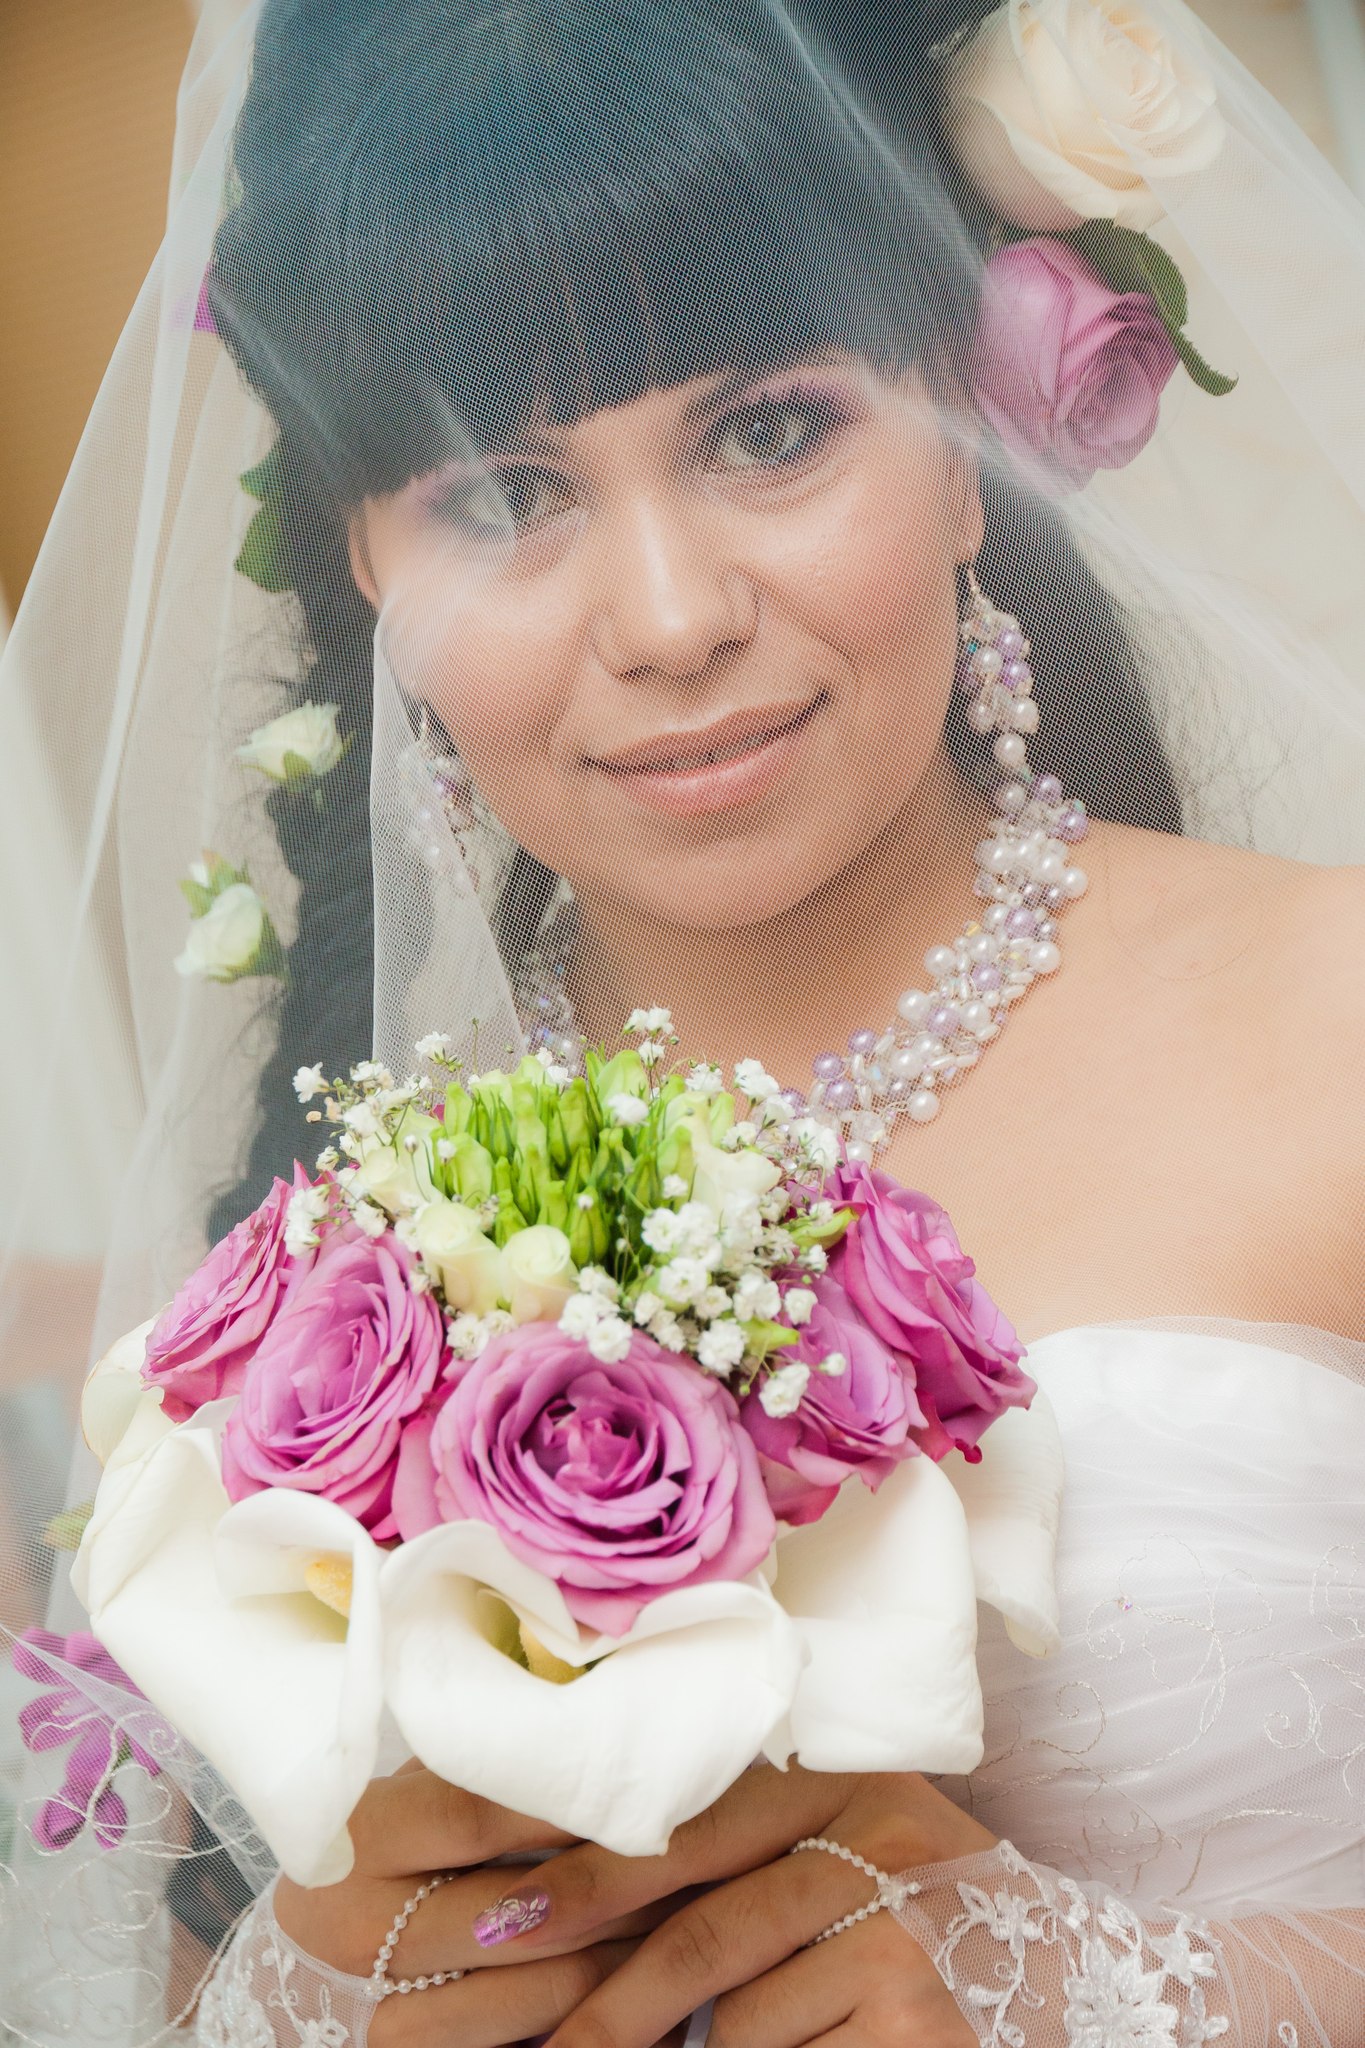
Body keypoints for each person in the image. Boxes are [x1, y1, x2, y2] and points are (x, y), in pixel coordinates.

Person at [1, 1, 1362, 2043]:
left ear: (962, 428)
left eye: (767, 431)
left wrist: (1077, 1992)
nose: (667, 618)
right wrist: (325, 1993)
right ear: (370, 565)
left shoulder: (1331, 1015)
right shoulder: (316, 1288)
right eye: (502, 492)